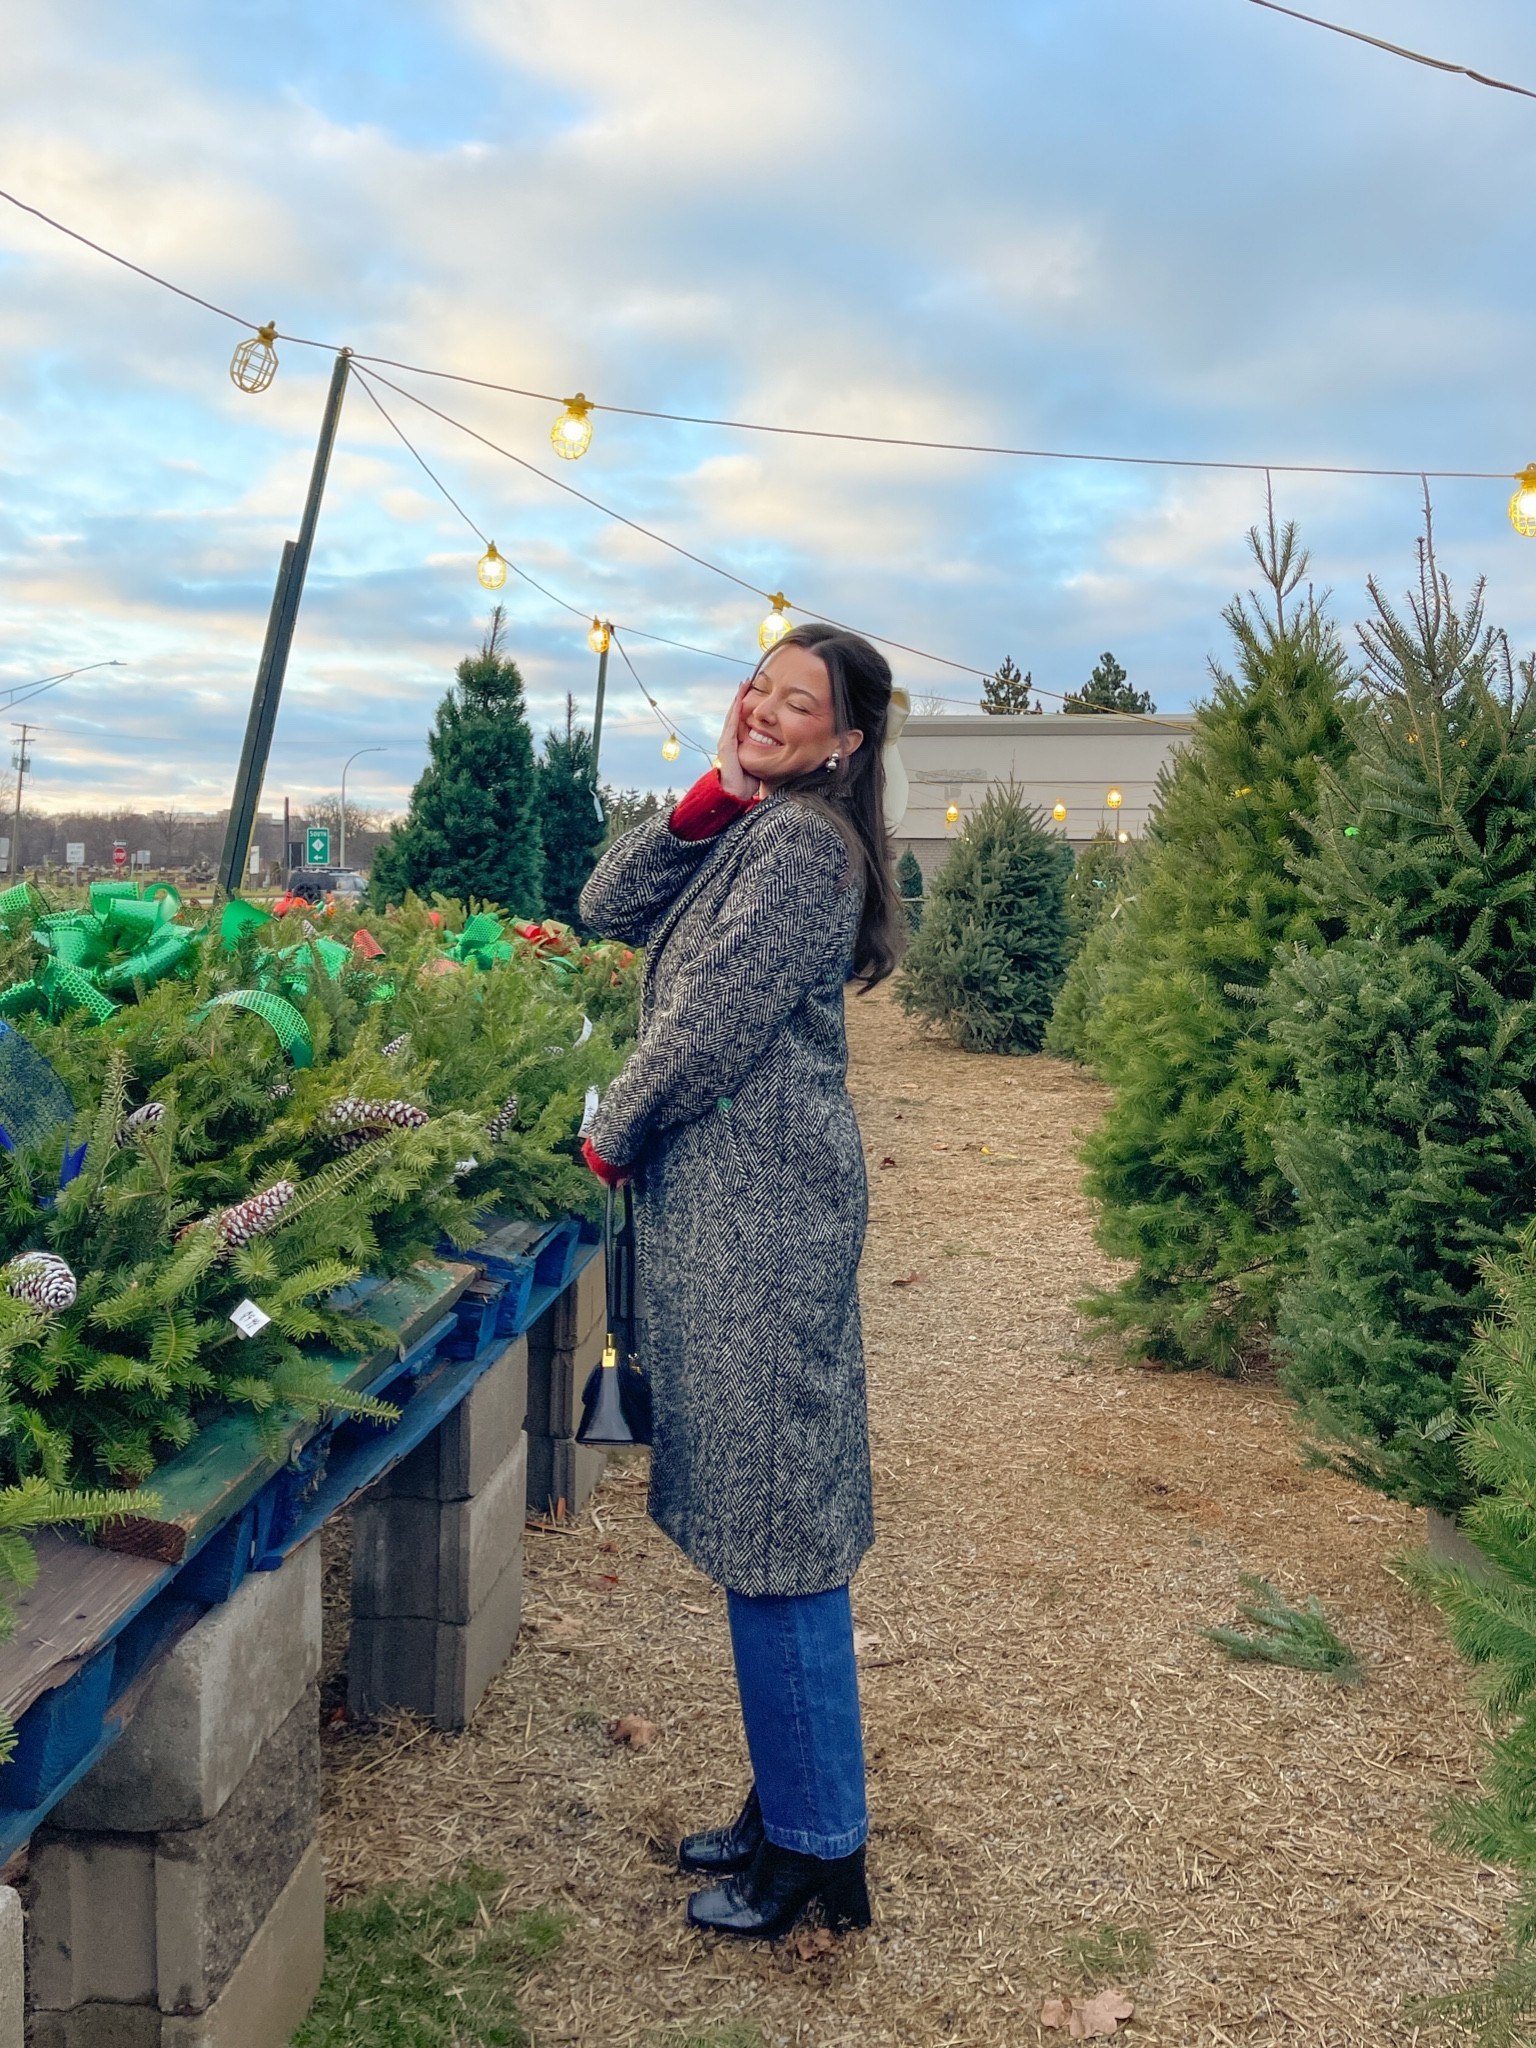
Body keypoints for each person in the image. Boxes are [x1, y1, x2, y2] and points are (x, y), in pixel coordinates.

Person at [577, 623, 906, 1941]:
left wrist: (613, 1129)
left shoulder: (806, 852)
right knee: (754, 1529)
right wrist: (707, 791)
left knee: (780, 1542)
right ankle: (792, 1801)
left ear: (848, 741)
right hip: (727, 1226)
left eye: (797, 704)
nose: (766, 712)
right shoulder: (753, 827)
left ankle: (821, 1851)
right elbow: (606, 905)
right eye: (756, 691)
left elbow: (708, 1018)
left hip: (762, 1237)